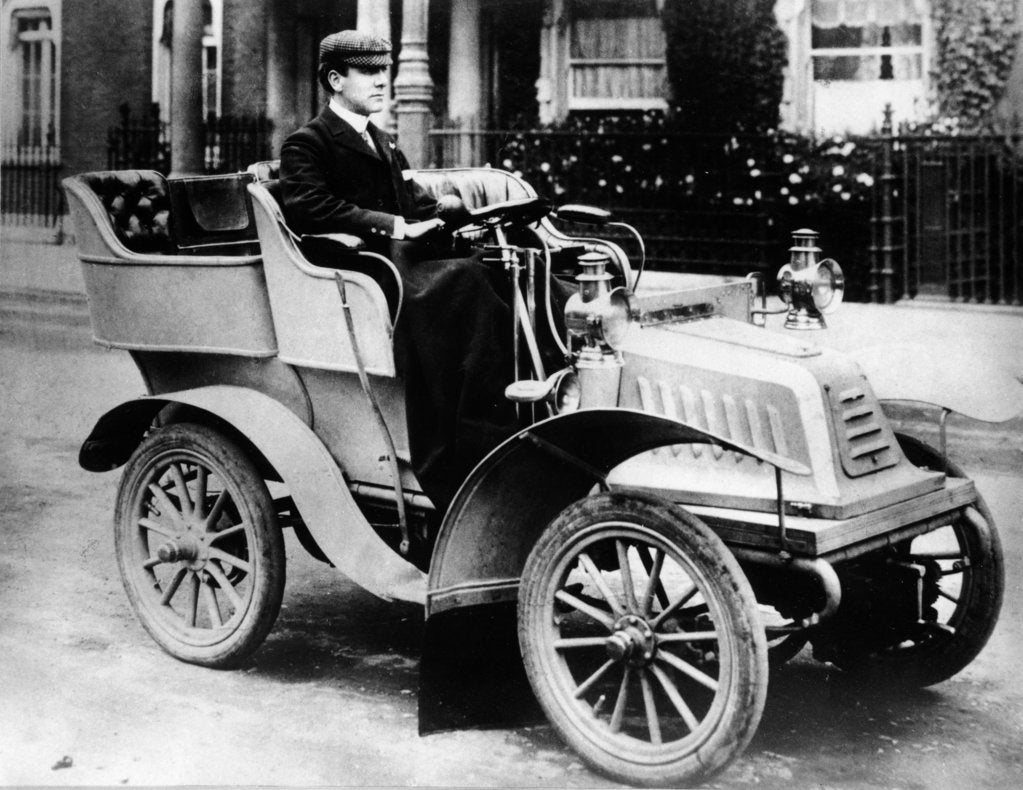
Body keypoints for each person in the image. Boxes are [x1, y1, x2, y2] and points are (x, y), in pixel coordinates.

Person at [280, 30, 561, 511]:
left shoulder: (381, 140)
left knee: (510, 267)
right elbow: (310, 207)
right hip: (367, 265)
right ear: (335, 80)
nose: (381, 81)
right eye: (368, 72)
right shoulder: (308, 143)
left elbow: (411, 200)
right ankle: (472, 441)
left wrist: (447, 211)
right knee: (464, 282)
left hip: (405, 256)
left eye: (383, 71)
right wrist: (394, 225)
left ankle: (549, 396)